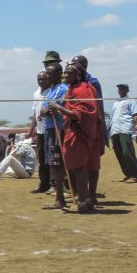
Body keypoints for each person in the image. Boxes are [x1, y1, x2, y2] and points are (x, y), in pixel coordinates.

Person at [49, 63, 105, 213]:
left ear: (78, 75)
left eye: (69, 73)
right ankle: (85, 200)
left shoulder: (81, 90)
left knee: (79, 167)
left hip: (79, 132)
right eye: (65, 73)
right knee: (76, 167)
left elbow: (77, 115)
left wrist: (57, 107)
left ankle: (82, 202)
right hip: (73, 131)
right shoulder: (73, 89)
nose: (65, 75)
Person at [70, 55, 107, 202]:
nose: (70, 68)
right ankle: (79, 194)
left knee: (92, 162)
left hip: (91, 126)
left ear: (82, 67)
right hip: (76, 128)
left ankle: (91, 195)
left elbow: (93, 108)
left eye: (74, 65)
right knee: (76, 162)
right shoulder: (71, 85)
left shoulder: (91, 84)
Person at [40, 62, 69, 210]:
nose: (46, 75)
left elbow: (51, 108)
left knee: (58, 164)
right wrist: (44, 110)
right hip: (50, 128)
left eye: (49, 73)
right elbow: (42, 110)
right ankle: (59, 196)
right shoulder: (51, 89)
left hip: (58, 129)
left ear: (59, 74)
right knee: (53, 163)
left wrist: (46, 110)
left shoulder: (62, 89)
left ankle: (60, 198)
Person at [28, 71, 51, 193]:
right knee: (41, 159)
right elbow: (34, 114)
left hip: (50, 129)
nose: (41, 81)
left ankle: (54, 185)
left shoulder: (52, 92)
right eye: (39, 79)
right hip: (40, 131)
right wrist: (30, 130)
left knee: (51, 159)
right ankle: (43, 184)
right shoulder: (36, 93)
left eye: (44, 79)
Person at [109, 84, 137, 183]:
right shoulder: (116, 102)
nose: (121, 90)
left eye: (123, 88)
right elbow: (113, 117)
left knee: (127, 152)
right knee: (119, 153)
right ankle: (127, 174)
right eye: (120, 88)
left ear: (127, 90)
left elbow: (135, 114)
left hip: (125, 129)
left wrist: (136, 125)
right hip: (115, 131)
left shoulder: (131, 101)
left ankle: (135, 174)